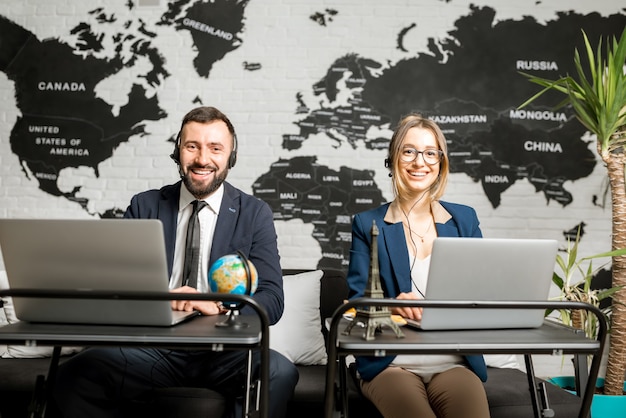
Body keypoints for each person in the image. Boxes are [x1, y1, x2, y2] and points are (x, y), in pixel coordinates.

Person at [52, 106, 299, 418]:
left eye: (215, 148)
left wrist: (220, 305)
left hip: (225, 353)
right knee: (77, 372)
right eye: (191, 146)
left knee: (279, 371)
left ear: (230, 157)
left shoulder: (254, 213)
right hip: (152, 349)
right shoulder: (145, 205)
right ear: (178, 151)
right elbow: (119, 290)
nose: (202, 159)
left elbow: (272, 302)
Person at [346, 114, 490, 418]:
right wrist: (394, 305)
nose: (419, 162)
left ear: (441, 162)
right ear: (393, 159)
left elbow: (480, 294)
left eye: (430, 152)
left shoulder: (464, 220)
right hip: (391, 363)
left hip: (453, 361)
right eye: (408, 151)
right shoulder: (367, 223)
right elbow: (357, 301)